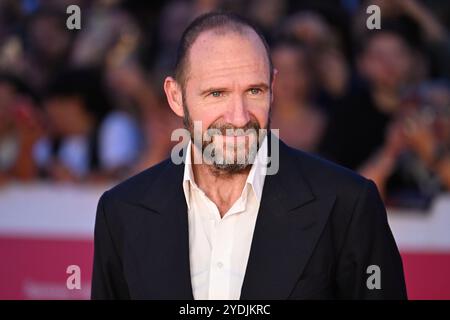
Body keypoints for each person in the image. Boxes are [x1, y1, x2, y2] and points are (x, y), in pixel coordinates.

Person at [91, 12, 406, 300]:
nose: (239, 117)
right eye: (217, 94)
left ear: (272, 87)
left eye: (254, 91)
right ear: (176, 97)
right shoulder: (122, 212)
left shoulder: (347, 204)